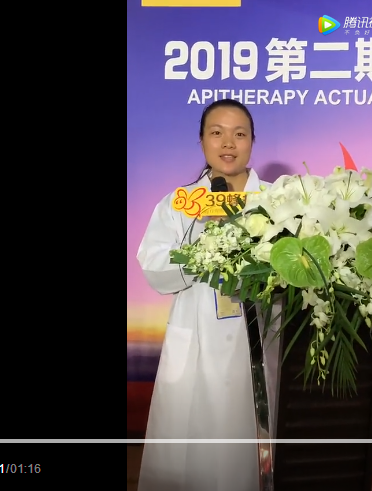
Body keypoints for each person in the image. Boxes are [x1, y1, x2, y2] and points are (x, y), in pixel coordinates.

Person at [135, 99, 279, 491]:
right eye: (217, 133)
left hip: (260, 343)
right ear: (201, 141)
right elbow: (153, 264)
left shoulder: (278, 200)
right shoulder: (180, 203)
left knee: (254, 446)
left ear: (252, 141)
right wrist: (203, 244)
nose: (228, 143)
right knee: (193, 446)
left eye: (239, 134)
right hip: (196, 341)